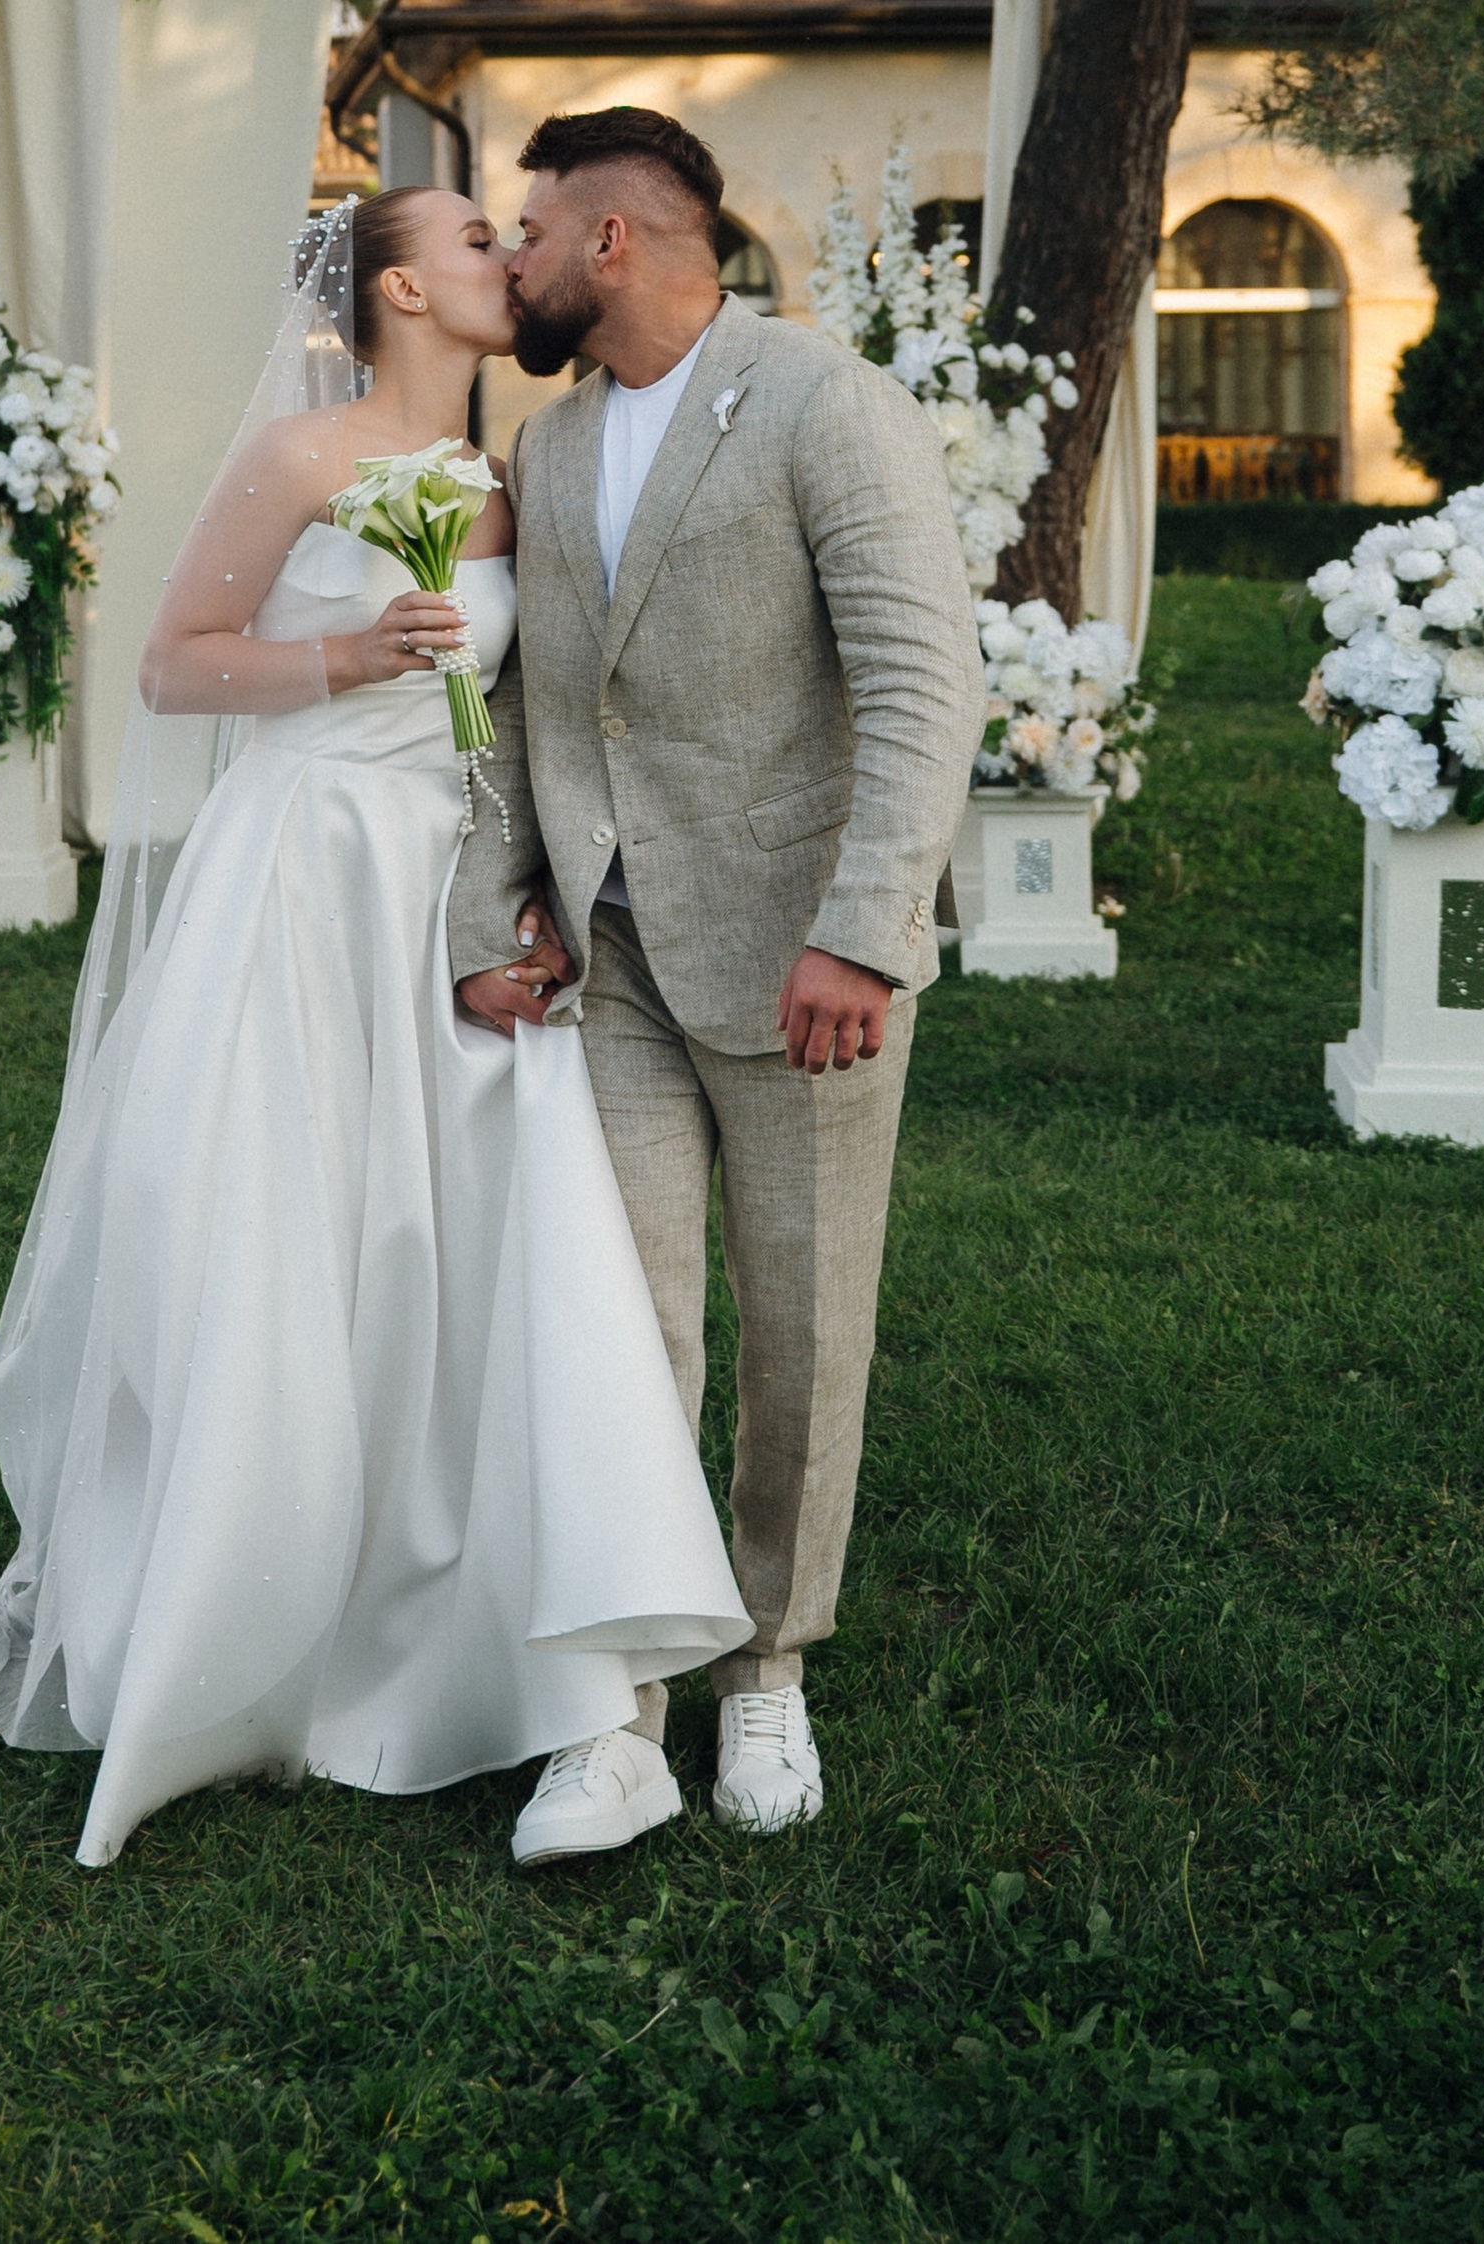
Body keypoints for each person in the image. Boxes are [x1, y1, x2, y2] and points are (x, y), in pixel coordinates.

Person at [0, 188, 746, 1868]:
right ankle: (264, 1618)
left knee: (488, 1242)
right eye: (477, 237)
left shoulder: (524, 473)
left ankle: (513, 1651)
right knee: (294, 1234)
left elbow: (542, 717)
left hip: (459, 891)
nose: (511, 253)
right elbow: (173, 668)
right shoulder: (303, 457)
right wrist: (343, 654)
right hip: (309, 872)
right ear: (399, 288)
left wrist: (535, 886)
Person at [450, 106, 983, 1852]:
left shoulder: (828, 404)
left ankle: (767, 1666)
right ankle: (617, 1712)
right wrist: (493, 912)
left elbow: (922, 683)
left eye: (532, 230)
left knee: (805, 1329)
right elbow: (523, 713)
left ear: (613, 240)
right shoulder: (545, 440)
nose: (513, 260)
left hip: (800, 955)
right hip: (604, 962)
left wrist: (866, 929)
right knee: (624, 1331)